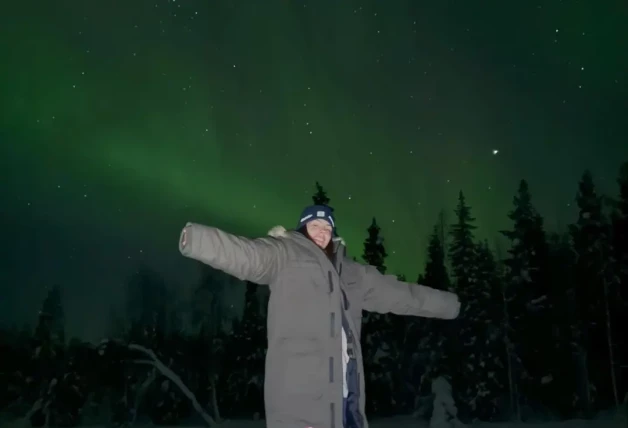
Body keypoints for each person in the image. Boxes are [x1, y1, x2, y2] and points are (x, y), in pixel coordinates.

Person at [179, 204, 460, 428]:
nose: (322, 231)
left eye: (327, 227)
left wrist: (449, 305)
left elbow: (401, 294)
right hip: (300, 402)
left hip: (345, 399)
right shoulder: (284, 253)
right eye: (316, 225)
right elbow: (247, 255)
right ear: (303, 228)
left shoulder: (351, 273)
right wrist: (197, 239)